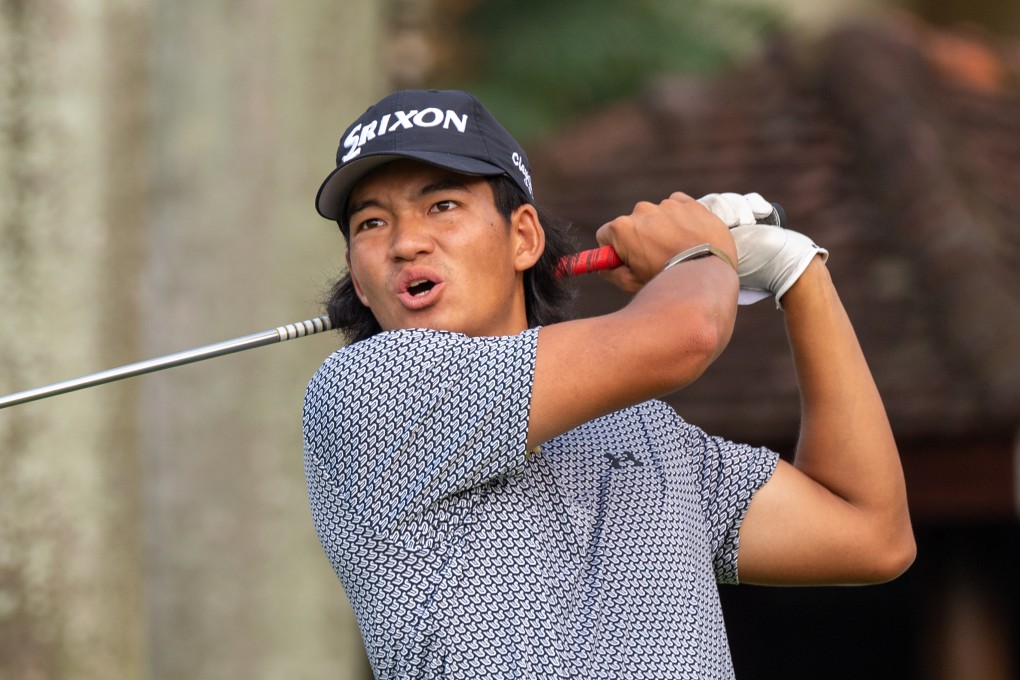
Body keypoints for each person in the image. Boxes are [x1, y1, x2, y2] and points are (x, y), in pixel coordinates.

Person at [303, 89, 915, 679]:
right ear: (359, 281)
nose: (406, 243)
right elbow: (688, 334)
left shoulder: (641, 430)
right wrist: (698, 253)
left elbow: (871, 534)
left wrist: (799, 272)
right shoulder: (369, 391)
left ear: (523, 238)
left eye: (442, 206)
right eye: (372, 224)